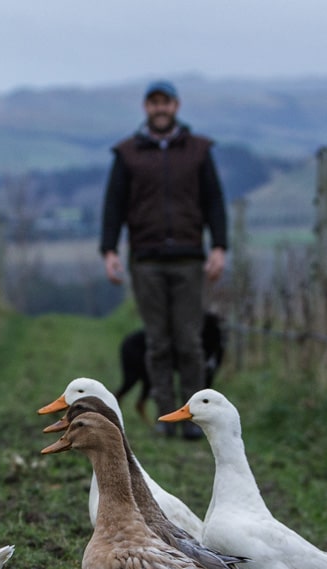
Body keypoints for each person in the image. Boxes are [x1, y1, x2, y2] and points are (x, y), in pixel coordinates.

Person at [100, 79, 228, 440]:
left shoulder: (199, 151)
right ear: (146, 107)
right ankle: (166, 415)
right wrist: (109, 251)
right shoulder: (127, 154)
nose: (160, 108)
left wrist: (219, 246)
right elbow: (113, 206)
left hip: (189, 258)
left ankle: (195, 420)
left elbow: (214, 202)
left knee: (189, 341)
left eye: (165, 102)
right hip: (146, 259)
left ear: (176, 106)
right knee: (157, 342)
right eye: (153, 102)